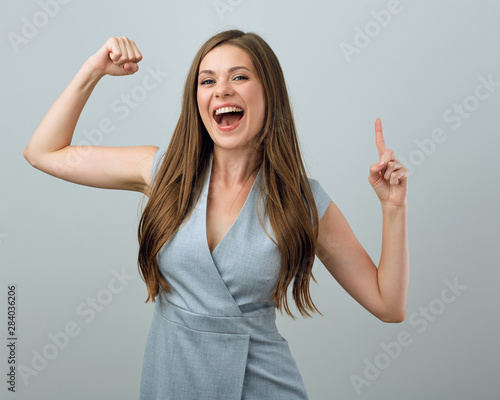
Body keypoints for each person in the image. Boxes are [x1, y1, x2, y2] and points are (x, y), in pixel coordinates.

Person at [24, 30, 409, 399]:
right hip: (169, 383)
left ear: (269, 94)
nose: (221, 90)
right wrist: (93, 70)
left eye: (239, 76)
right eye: (207, 82)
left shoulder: (301, 200)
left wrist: (393, 209)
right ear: (197, 101)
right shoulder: (162, 172)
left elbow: (388, 305)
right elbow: (44, 153)